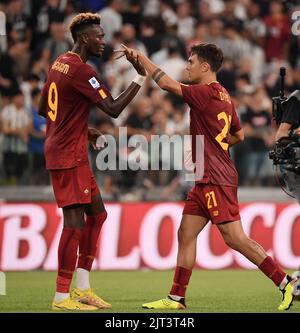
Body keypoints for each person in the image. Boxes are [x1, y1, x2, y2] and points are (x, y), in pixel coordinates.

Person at [120, 43, 299, 311]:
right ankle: (176, 298)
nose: (187, 66)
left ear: (205, 67)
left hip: (215, 176)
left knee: (235, 238)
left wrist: (142, 59)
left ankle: (286, 282)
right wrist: (215, 146)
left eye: (191, 62)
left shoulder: (204, 93)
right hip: (205, 176)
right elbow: (237, 135)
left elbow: (167, 84)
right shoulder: (225, 96)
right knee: (186, 232)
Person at [38, 13, 146, 311]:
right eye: (98, 37)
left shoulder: (59, 62)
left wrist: (82, 129)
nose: (103, 41)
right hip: (66, 156)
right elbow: (112, 109)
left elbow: (42, 107)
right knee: (74, 224)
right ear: (84, 38)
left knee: (98, 216)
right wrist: (140, 77)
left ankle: (83, 288)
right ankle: (61, 297)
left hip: (72, 151)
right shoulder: (83, 71)